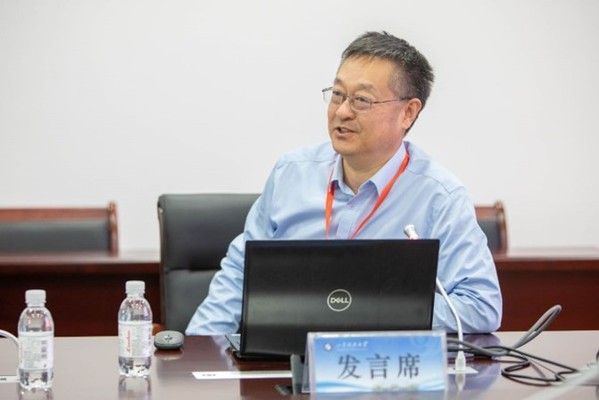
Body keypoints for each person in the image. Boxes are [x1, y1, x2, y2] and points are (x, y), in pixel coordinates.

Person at [186, 31, 502, 335]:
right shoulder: (291, 174)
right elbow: (239, 275)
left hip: (380, 362)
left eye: (361, 100)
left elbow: (481, 306)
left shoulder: (440, 197)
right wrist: (196, 349)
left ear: (408, 112)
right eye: (337, 94)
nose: (342, 111)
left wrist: (383, 307)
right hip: (286, 356)